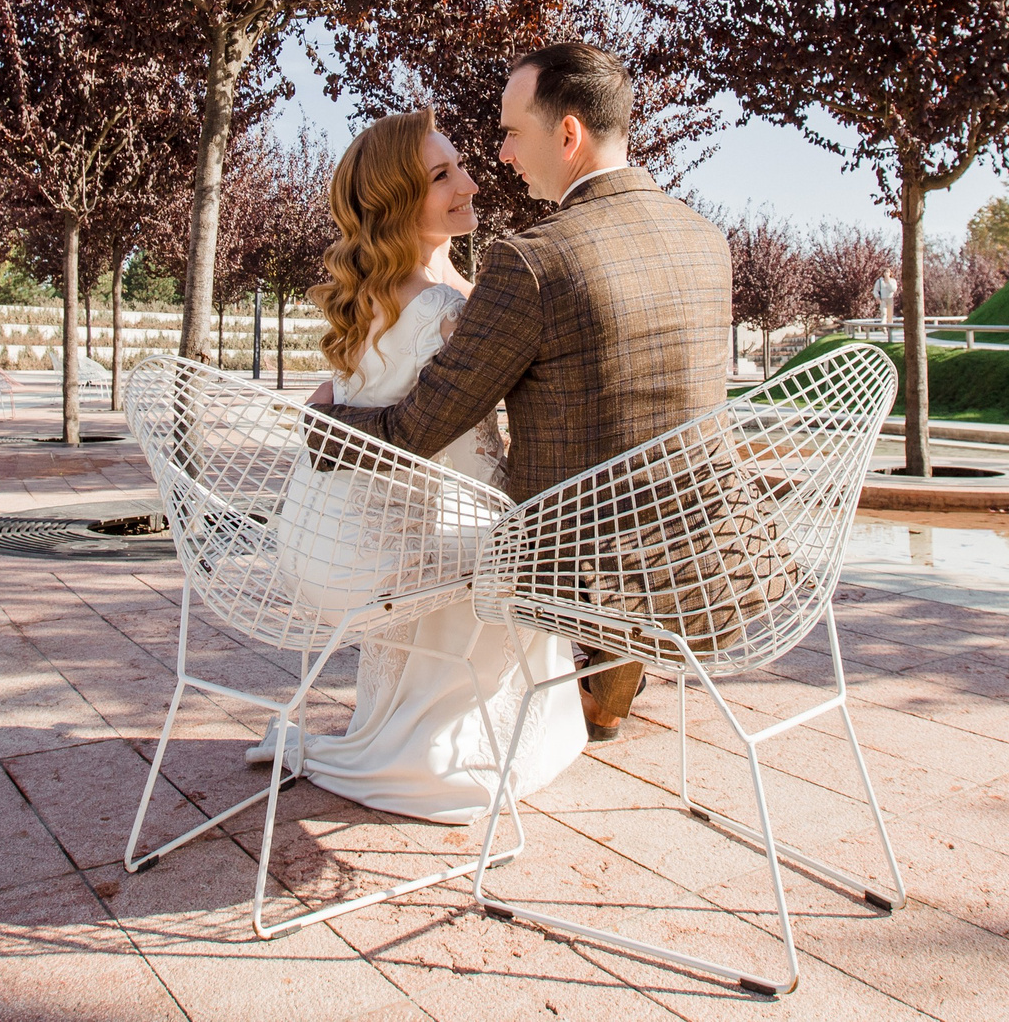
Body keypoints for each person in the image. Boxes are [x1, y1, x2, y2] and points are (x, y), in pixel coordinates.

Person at [310, 42, 733, 743]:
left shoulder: (535, 260)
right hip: (706, 557)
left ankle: (600, 656)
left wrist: (323, 427)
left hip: (576, 561)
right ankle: (613, 664)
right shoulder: (706, 239)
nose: (501, 156)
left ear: (567, 134)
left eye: (510, 133)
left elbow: (421, 426)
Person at [248, 108, 587, 822]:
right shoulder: (444, 305)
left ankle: (397, 727)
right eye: (442, 176)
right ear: (400, 201)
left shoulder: (376, 295)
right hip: (429, 534)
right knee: (527, 539)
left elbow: (335, 403)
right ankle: (464, 743)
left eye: (460, 164)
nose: (469, 181)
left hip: (357, 537)